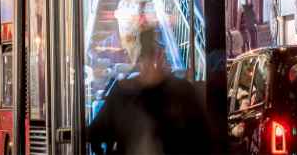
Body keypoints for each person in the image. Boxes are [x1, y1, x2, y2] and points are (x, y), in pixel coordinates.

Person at [88, 27, 214, 155]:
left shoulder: (123, 92)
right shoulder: (181, 91)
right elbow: (204, 139)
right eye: (148, 56)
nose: (151, 63)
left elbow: (95, 133)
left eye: (153, 55)